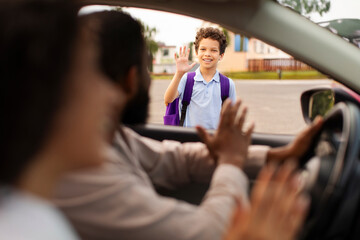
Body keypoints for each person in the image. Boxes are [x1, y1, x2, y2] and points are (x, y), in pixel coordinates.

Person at [54, 10, 322, 240]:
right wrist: (230, 165)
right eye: (147, 67)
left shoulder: (111, 137)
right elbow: (205, 233)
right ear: (130, 79)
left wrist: (276, 155)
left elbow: (178, 158)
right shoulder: (84, 173)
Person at [0, 1, 122, 239]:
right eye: (93, 71)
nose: (113, 95)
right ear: (46, 92)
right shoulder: (29, 228)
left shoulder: (31, 216)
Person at [164, 27, 236, 129]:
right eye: (203, 49)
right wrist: (179, 74)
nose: (207, 54)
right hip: (188, 141)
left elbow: (232, 118)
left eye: (214, 50)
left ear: (221, 55)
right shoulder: (186, 80)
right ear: (197, 52)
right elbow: (168, 99)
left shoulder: (228, 84)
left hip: (214, 142)